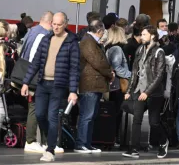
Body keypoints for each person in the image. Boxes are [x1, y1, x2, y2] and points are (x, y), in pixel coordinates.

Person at [21, 12, 80, 162]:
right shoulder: (46, 39)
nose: (56, 27)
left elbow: (74, 68)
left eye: (59, 24)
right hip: (42, 83)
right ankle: (50, 139)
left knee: (52, 117)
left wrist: (73, 91)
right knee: (40, 114)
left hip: (58, 85)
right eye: (54, 23)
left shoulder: (71, 42)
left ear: (66, 24)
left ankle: (50, 149)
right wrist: (26, 82)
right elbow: (35, 62)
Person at [122, 25, 169, 159]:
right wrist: (130, 90)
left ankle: (163, 141)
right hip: (138, 91)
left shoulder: (159, 52)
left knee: (154, 122)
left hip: (154, 93)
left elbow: (159, 75)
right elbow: (134, 72)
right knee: (136, 120)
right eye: (141, 35)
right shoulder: (139, 50)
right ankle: (134, 149)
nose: (141, 37)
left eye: (144, 34)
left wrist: (147, 92)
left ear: (152, 36)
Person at [75, 20, 114, 154]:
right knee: (87, 115)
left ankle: (87, 143)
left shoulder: (91, 41)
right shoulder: (88, 42)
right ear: (100, 31)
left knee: (91, 116)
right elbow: (98, 61)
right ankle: (81, 144)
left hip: (94, 84)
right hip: (89, 84)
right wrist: (109, 73)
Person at [20, 11, 55, 153]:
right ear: (51, 22)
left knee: (35, 107)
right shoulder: (43, 35)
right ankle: (31, 140)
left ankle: (37, 140)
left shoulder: (32, 31)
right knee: (35, 107)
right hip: (35, 77)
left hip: (28, 76)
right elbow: (35, 59)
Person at [105, 26, 131, 147]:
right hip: (117, 86)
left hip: (111, 86)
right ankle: (114, 137)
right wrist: (130, 75)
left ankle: (111, 137)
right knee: (117, 113)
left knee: (112, 112)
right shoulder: (117, 49)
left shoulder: (108, 47)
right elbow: (117, 67)